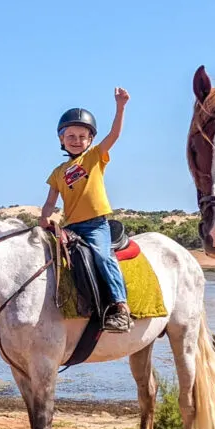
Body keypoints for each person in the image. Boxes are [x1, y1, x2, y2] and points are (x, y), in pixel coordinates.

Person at [40, 87, 132, 333]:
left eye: (82, 136)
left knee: (102, 257)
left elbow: (114, 135)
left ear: (90, 140)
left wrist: (120, 107)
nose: (76, 140)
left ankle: (120, 307)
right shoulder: (58, 172)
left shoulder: (93, 157)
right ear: (61, 138)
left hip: (95, 224)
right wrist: (44, 217)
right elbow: (51, 201)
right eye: (70, 135)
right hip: (70, 226)